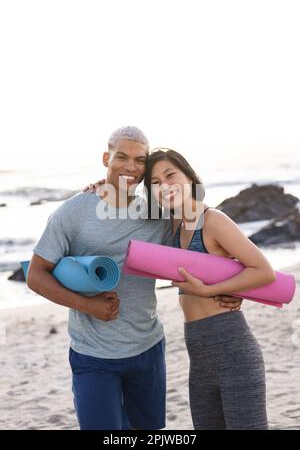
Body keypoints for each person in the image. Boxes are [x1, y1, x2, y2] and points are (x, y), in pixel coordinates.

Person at [27, 127, 242, 431]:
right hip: (93, 355)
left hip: (148, 348)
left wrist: (234, 288)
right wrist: (87, 306)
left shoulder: (157, 212)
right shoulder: (72, 213)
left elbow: (204, 245)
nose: (130, 166)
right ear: (106, 157)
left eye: (139, 160)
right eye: (121, 157)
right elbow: (36, 275)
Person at [142, 148, 275, 430]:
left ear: (189, 177)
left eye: (170, 175)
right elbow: (123, 211)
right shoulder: (173, 226)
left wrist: (209, 291)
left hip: (234, 352)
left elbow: (263, 271)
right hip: (199, 361)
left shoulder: (213, 221)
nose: (164, 186)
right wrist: (101, 188)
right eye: (155, 183)